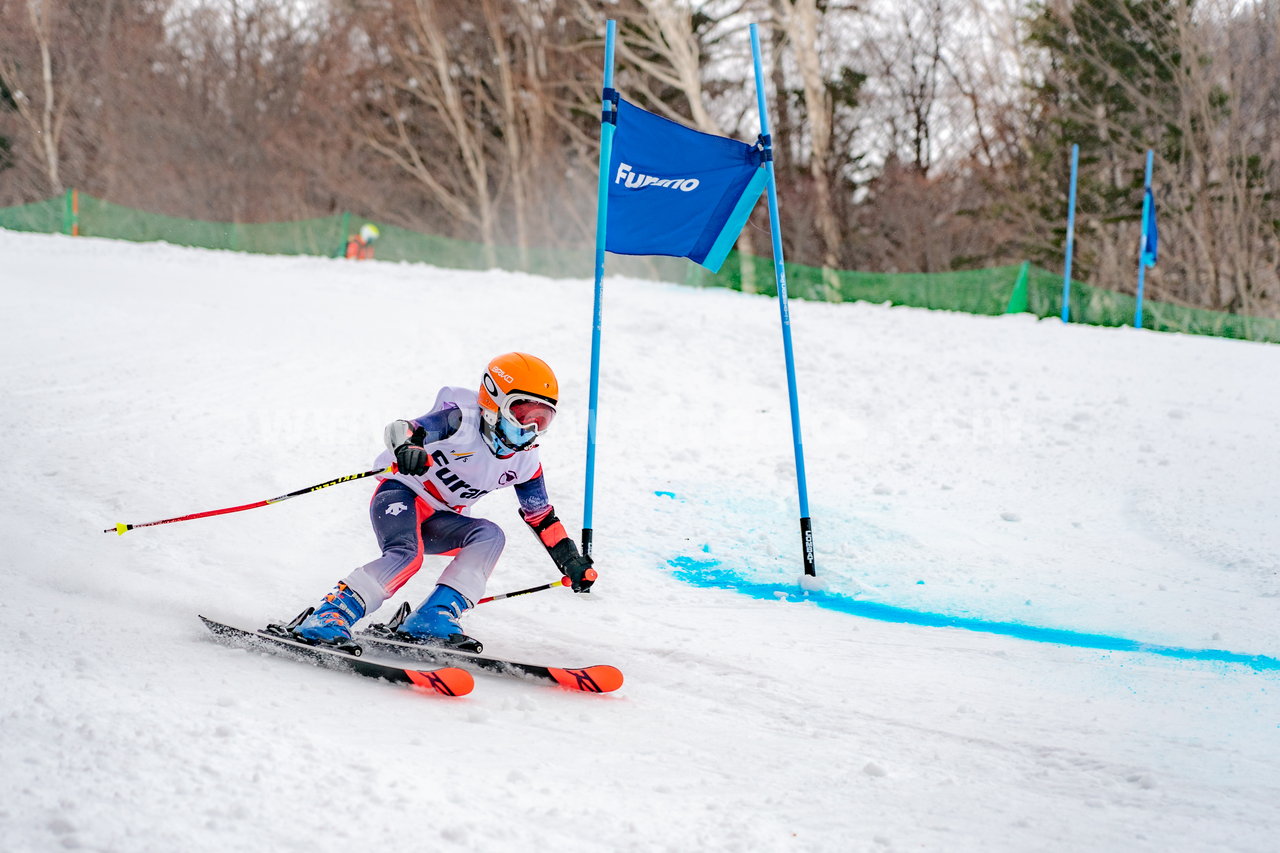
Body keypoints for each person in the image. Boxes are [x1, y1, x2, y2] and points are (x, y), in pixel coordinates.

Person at [290, 352, 595, 652]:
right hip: (401, 495)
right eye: (522, 415)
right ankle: (330, 615)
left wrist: (570, 560)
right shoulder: (460, 422)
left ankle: (433, 616)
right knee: (408, 556)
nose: (529, 430)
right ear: (493, 402)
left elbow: (541, 517)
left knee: (490, 536)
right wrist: (407, 448)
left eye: (541, 420)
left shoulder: (526, 462)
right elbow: (401, 429)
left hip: (441, 519)